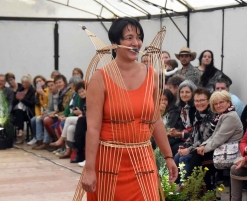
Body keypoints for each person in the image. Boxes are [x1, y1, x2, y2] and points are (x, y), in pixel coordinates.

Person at [77, 17, 177, 201]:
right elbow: (93, 128)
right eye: (129, 38)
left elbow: (155, 120)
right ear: (115, 43)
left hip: (142, 159)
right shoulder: (100, 78)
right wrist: (89, 169)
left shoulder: (151, 74)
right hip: (109, 162)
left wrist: (168, 156)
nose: (136, 43)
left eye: (139, 38)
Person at [184, 90, 243, 190]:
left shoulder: (230, 116)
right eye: (215, 104)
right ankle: (197, 189)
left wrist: (203, 148)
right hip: (221, 149)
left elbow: (219, 138)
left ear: (228, 102)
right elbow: (213, 136)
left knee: (198, 155)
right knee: (197, 155)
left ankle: (189, 186)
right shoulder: (222, 115)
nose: (218, 105)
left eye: (221, 102)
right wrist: (203, 146)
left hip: (229, 153)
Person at [174, 88, 216, 187]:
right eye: (197, 101)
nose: (199, 103)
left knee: (184, 158)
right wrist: (185, 146)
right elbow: (193, 134)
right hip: (197, 146)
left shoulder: (211, 115)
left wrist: (188, 150)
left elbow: (205, 138)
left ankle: (187, 189)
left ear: (208, 100)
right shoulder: (197, 114)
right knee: (177, 155)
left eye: (202, 100)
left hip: (208, 148)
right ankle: (180, 185)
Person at [168, 80, 197, 155]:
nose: (184, 95)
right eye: (182, 92)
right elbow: (181, 126)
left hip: (194, 139)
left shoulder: (196, 108)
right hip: (184, 136)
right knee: (163, 142)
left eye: (187, 92)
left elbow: (196, 133)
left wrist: (178, 134)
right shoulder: (183, 108)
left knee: (174, 148)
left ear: (193, 93)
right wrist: (173, 131)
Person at [43, 75, 74, 143]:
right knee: (46, 120)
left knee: (48, 121)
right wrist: (55, 112)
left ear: (64, 82)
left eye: (60, 82)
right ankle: (55, 140)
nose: (58, 84)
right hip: (60, 113)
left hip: (66, 114)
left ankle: (60, 143)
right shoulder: (61, 92)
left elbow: (67, 108)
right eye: (56, 83)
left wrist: (57, 114)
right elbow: (59, 106)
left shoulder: (70, 92)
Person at [151, 89, 180, 155]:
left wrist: (161, 113)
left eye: (165, 99)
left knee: (153, 143)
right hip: (161, 135)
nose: (163, 102)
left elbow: (169, 127)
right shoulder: (154, 109)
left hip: (172, 136)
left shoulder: (174, 111)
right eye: (161, 100)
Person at [32, 79, 59, 150]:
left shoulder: (60, 93)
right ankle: (39, 141)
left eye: (52, 85)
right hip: (52, 113)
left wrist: (47, 115)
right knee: (38, 118)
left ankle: (46, 142)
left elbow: (58, 109)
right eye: (48, 86)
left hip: (57, 113)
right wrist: (45, 113)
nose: (50, 87)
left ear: (56, 85)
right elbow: (49, 108)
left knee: (46, 119)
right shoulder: (50, 94)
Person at [12, 75, 36, 144]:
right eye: (23, 82)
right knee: (18, 111)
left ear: (30, 83)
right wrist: (17, 98)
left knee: (19, 112)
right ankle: (20, 132)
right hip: (20, 112)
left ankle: (20, 132)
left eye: (26, 82)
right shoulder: (20, 89)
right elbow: (14, 102)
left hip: (29, 111)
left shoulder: (32, 91)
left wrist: (23, 99)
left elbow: (32, 103)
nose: (24, 84)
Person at [28, 75, 49, 146]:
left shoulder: (47, 90)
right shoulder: (36, 93)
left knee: (43, 119)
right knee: (34, 119)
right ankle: (38, 139)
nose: (39, 83)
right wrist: (38, 115)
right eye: (37, 82)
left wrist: (43, 93)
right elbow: (37, 106)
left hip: (48, 112)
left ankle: (45, 140)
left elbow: (47, 103)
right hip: (41, 113)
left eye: (40, 81)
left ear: (44, 81)